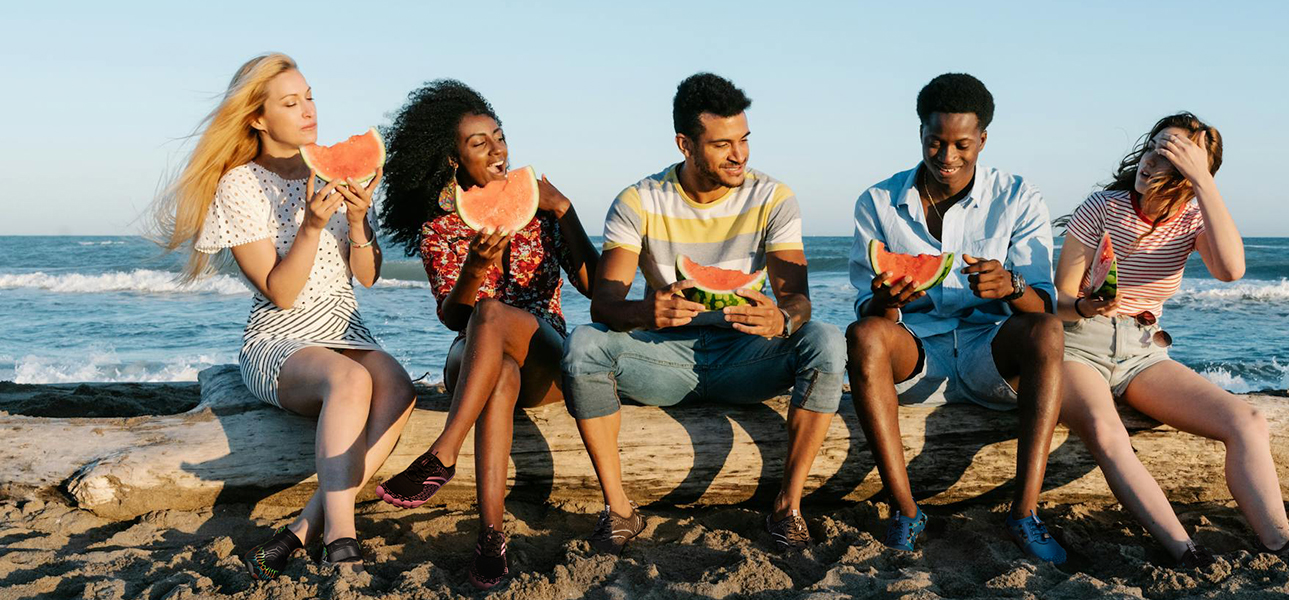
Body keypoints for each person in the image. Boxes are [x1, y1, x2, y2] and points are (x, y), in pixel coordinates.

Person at [149, 53, 417, 577]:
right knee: (350, 380)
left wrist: (359, 221)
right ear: (257, 117)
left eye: (310, 96)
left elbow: (366, 276)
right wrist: (312, 228)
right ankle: (341, 536)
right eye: (291, 102)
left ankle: (304, 526)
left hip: (345, 328)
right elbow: (282, 293)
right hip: (279, 341)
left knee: (400, 386)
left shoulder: (338, 173)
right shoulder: (240, 186)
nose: (308, 110)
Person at [560, 72, 846, 554]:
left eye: (744, 140)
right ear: (685, 145)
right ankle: (620, 509)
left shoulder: (772, 197)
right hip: (663, 360)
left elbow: (798, 298)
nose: (739, 155)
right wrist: (646, 312)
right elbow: (604, 304)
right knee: (583, 344)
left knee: (826, 340)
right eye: (722, 145)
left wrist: (783, 320)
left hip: (747, 358)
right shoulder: (640, 200)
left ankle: (788, 506)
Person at [1054, 112, 1289, 566]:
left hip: (1141, 351)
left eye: (1172, 155)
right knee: (1109, 433)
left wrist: (1205, 186)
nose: (1152, 160)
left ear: (1193, 172)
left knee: (1247, 420)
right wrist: (1087, 305)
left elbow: (1230, 271)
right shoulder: (1101, 207)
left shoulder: (1193, 217)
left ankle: (1280, 543)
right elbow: (1058, 300)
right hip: (1077, 343)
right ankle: (1184, 550)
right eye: (1154, 146)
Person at [373, 79, 599, 589]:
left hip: (545, 349)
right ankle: (491, 539)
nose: (497, 149)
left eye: (498, 136)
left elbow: (595, 285)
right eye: (480, 142)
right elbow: (454, 318)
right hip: (472, 356)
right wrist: (474, 270)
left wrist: (564, 210)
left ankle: (443, 453)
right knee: (496, 370)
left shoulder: (540, 205)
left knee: (494, 314)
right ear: (454, 160)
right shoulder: (442, 228)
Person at [846, 73, 1067, 562]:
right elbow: (867, 308)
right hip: (915, 352)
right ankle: (905, 509)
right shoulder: (877, 202)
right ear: (921, 133)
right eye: (935, 142)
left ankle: (1025, 511)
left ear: (983, 139)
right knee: (863, 334)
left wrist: (1012, 287)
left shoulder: (1018, 198)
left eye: (961, 144)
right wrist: (886, 299)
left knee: (1048, 330)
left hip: (988, 350)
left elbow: (1044, 306)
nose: (947, 156)